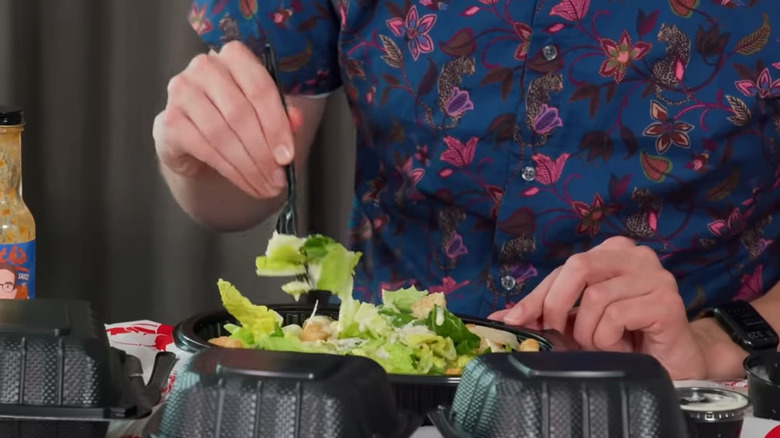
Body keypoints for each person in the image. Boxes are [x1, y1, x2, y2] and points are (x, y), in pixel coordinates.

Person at [154, 0, 780, 380]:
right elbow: (244, 191)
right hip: (385, 378)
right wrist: (196, 154)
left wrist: (718, 342)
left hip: (687, 388)